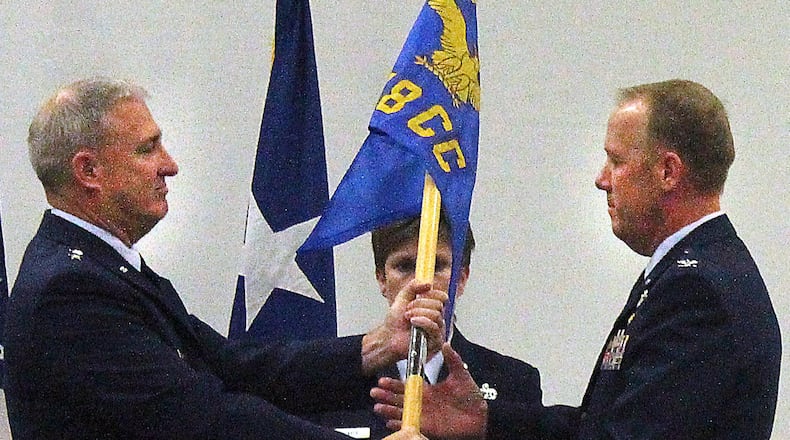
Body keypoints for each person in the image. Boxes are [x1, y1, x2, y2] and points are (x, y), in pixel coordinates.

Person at [3, 77, 444, 440]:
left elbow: (234, 368)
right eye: (147, 149)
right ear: (89, 172)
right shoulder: (69, 291)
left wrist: (376, 345)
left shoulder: (106, 270)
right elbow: (200, 418)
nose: (169, 165)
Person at [372, 79, 782, 439]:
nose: (602, 178)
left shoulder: (698, 290)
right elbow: (601, 426)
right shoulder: (690, 272)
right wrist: (486, 420)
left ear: (668, 172)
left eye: (617, 161)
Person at [301, 215, 543, 439]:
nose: (420, 282)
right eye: (405, 266)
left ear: (461, 278)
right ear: (381, 279)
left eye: (437, 266)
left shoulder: (514, 381)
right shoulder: (328, 379)